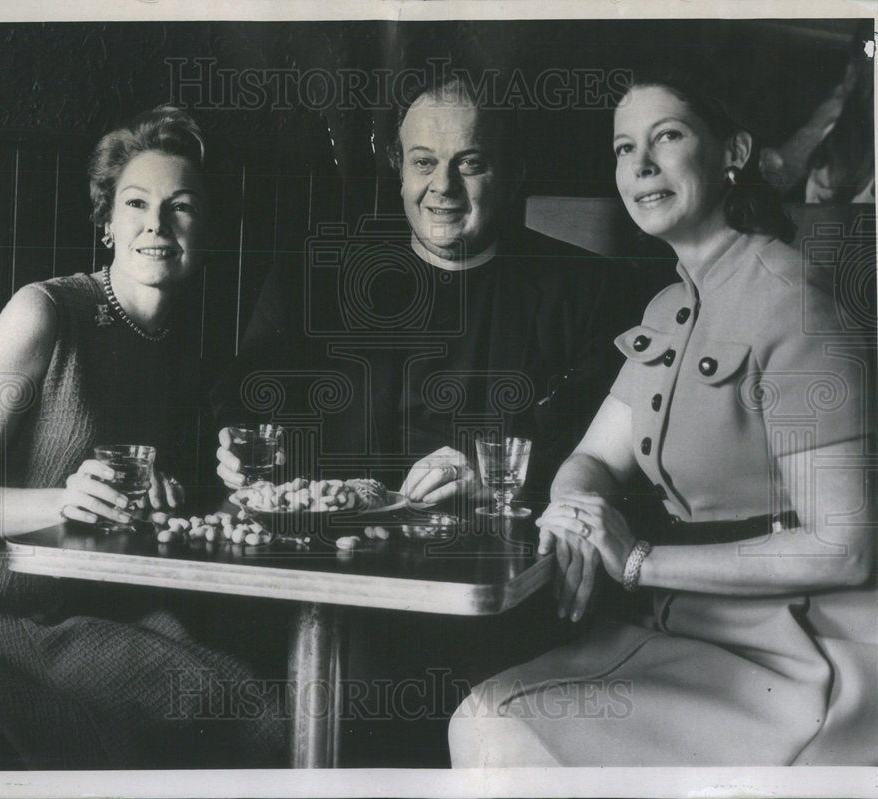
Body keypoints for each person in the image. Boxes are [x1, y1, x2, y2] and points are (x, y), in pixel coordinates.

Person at [448, 69, 878, 766]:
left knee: (497, 724)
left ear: (732, 152)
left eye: (666, 137)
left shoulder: (792, 301)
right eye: (623, 148)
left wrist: (641, 559)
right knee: (485, 708)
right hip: (679, 628)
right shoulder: (668, 311)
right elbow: (590, 459)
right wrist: (575, 509)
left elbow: (846, 545)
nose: (640, 164)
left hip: (798, 655)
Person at [0, 106, 286, 769]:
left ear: (207, 229)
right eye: (137, 203)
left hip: (86, 594)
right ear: (107, 223)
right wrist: (63, 501)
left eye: (181, 207)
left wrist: (179, 491)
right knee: (239, 713)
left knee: (259, 694)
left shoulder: (176, 349)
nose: (156, 223)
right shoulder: (44, 313)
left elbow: (127, 494)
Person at [213, 74, 635, 507]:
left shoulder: (587, 292)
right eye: (423, 162)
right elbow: (244, 398)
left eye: (470, 163)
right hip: (333, 541)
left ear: (513, 173)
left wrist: (491, 478)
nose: (443, 185)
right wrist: (235, 443)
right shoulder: (310, 277)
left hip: (490, 546)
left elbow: (599, 454)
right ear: (399, 169)